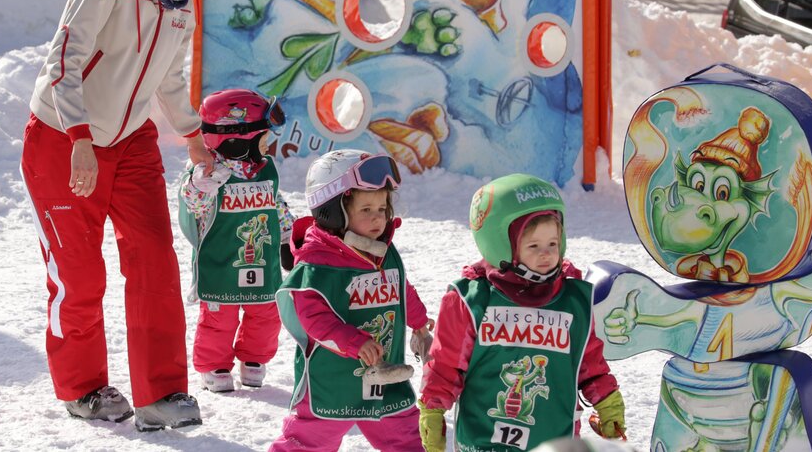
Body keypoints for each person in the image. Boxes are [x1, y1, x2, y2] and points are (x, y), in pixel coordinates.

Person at [20, 0, 221, 433]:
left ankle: (162, 394)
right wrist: (79, 138)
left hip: (131, 140)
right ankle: (82, 388)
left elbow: (169, 75)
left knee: (155, 261)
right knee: (80, 277)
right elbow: (67, 52)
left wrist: (192, 135)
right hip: (64, 136)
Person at [418, 174, 626, 452]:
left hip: (553, 438)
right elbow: (446, 365)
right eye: (533, 246)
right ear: (500, 243)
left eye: (553, 244)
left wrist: (607, 401)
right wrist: (432, 409)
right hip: (485, 439)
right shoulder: (472, 301)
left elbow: (588, 363)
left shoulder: (572, 301)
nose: (547, 255)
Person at [271, 150, 433, 452]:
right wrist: (354, 342)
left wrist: (420, 323)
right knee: (307, 440)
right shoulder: (318, 263)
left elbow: (400, 291)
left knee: (406, 436)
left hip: (385, 376)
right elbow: (314, 319)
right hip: (333, 380)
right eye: (366, 209)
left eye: (383, 208)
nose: (378, 218)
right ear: (334, 211)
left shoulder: (384, 252)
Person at [178, 89, 294, 393]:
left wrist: (287, 237)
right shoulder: (208, 172)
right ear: (236, 138)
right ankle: (214, 365)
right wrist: (200, 186)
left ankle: (254, 359)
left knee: (267, 313)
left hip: (261, 260)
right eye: (263, 138)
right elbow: (194, 208)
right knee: (219, 319)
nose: (268, 145)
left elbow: (275, 203)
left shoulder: (265, 168)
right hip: (221, 263)